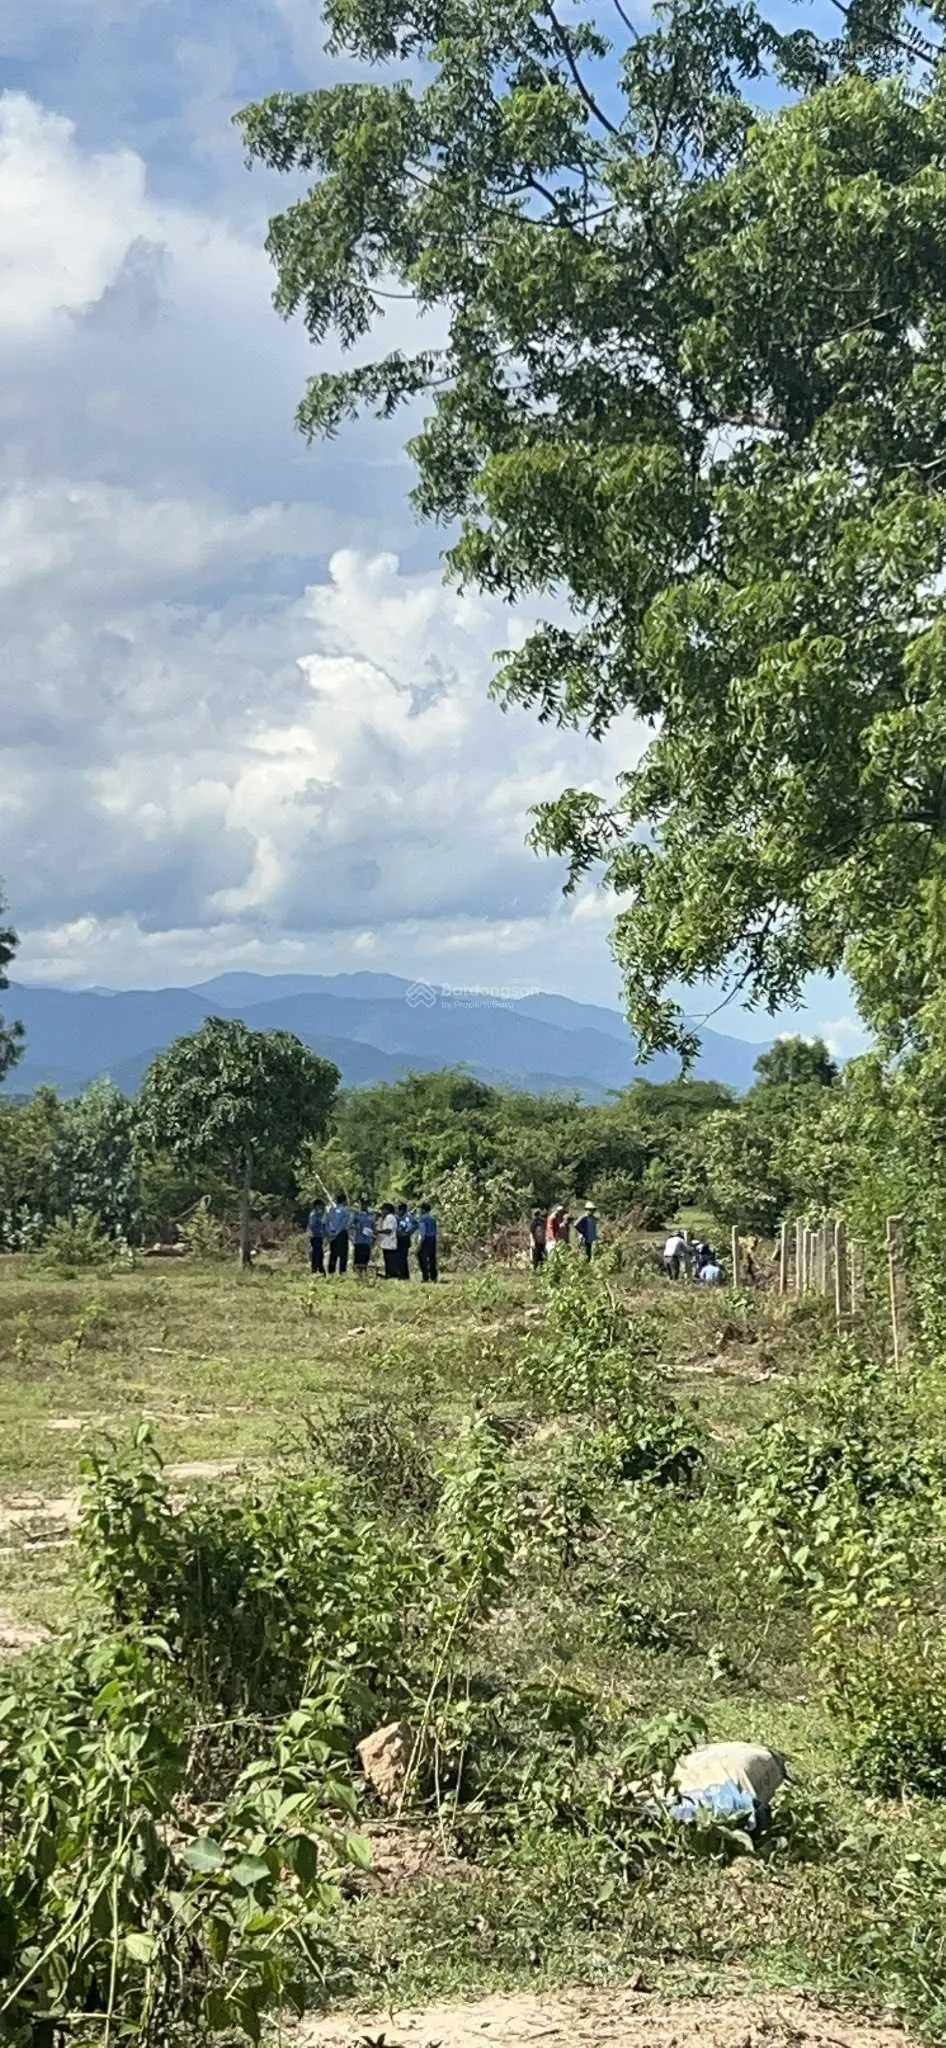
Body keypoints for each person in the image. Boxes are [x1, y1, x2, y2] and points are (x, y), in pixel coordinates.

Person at [325, 1190, 351, 1275]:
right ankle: (342, 1272)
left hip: (332, 1234)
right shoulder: (345, 1211)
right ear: (344, 1201)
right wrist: (337, 1232)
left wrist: (330, 1233)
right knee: (343, 1254)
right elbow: (344, 1224)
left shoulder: (332, 1210)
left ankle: (331, 1271)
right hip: (341, 1234)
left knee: (333, 1253)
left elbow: (327, 1222)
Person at [351, 1197, 375, 1277]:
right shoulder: (357, 1215)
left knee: (365, 1260)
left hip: (367, 1241)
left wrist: (373, 1239)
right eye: (362, 1204)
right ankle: (358, 1276)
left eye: (366, 1204)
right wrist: (355, 1226)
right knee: (358, 1261)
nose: (364, 1206)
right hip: (359, 1241)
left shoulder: (371, 1216)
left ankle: (364, 1276)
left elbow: (373, 1228)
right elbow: (350, 1225)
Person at [416, 1202, 438, 1282]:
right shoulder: (433, 1219)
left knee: (422, 1258)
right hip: (433, 1239)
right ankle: (434, 1277)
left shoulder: (422, 1219)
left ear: (423, 1210)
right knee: (432, 1258)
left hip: (425, 1239)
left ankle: (425, 1277)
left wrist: (419, 1243)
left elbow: (422, 1232)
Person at [378, 1202, 399, 1279]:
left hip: (389, 1243)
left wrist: (378, 1231)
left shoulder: (389, 1217)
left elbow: (389, 1230)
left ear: (387, 1210)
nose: (382, 1211)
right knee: (388, 1261)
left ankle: (392, 1275)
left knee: (390, 1261)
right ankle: (389, 1275)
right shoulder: (388, 1217)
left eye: (383, 1210)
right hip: (387, 1243)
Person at [395, 1200, 415, 1279]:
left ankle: (403, 1275)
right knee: (401, 1257)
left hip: (403, 1239)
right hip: (400, 1239)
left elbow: (415, 1225)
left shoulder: (407, 1217)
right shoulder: (400, 1217)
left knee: (402, 1257)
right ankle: (403, 1274)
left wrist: (409, 1232)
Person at [307, 1197, 327, 1276]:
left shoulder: (319, 1215)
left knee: (319, 1254)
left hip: (318, 1237)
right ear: (316, 1206)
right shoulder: (314, 1215)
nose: (322, 1208)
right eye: (321, 1206)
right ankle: (316, 1269)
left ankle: (318, 1269)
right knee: (317, 1254)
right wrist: (320, 1232)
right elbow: (312, 1226)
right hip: (315, 1237)